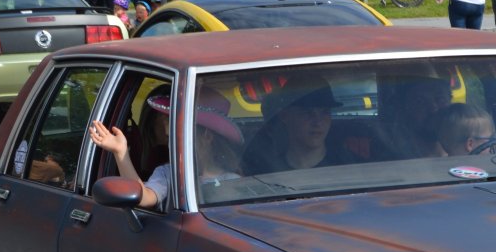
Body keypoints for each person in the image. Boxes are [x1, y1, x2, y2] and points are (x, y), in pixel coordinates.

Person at [88, 90, 244, 209]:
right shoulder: (169, 173)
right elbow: (143, 198)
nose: (168, 135)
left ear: (207, 137)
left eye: (176, 132)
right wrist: (121, 153)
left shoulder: (234, 181)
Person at [242, 76, 353, 174]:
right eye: (307, 113)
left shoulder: (351, 167)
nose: (318, 122)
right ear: (285, 116)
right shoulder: (262, 172)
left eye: (325, 112)